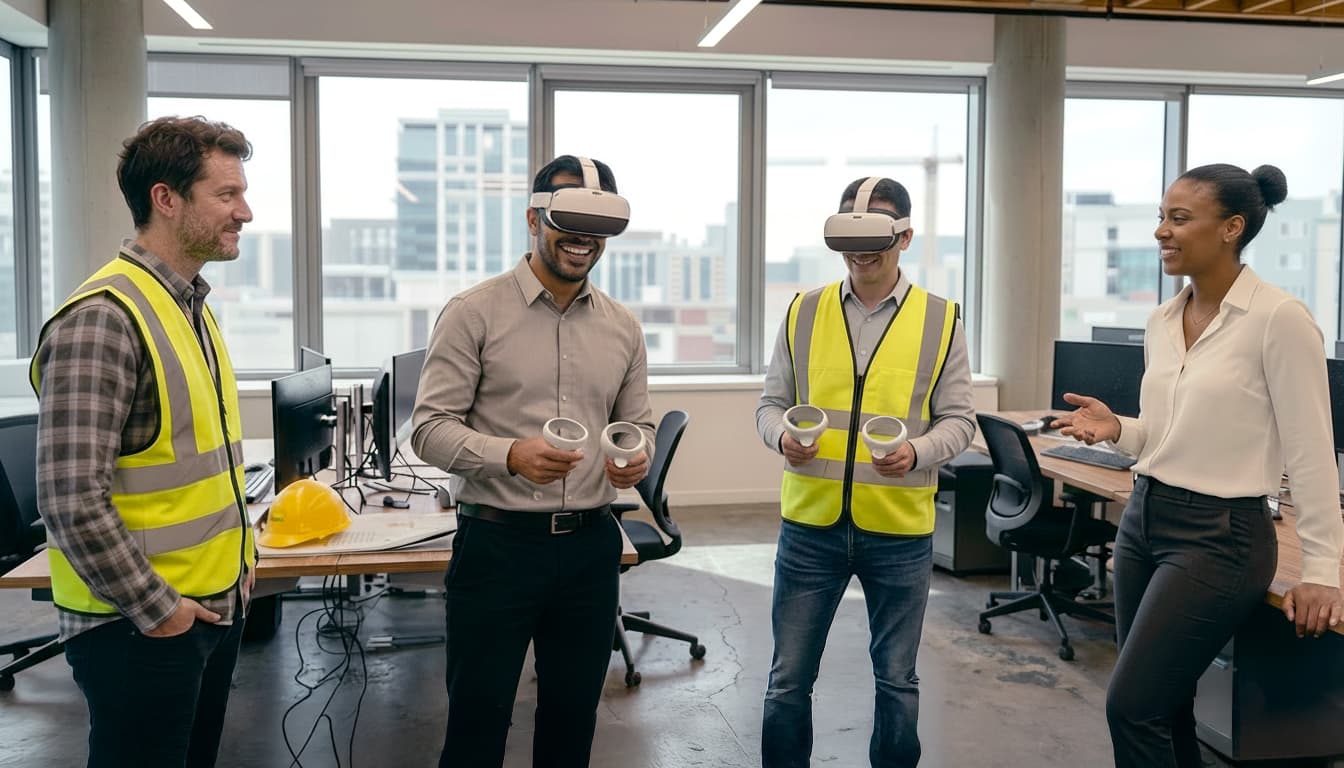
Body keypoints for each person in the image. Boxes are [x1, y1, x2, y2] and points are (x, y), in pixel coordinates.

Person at [1054, 163, 1344, 768]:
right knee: (1166, 706)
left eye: (1179, 218)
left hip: (1221, 537)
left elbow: (1312, 451)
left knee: (1130, 706)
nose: (1161, 230)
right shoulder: (1163, 320)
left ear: (1232, 227)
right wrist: (1120, 430)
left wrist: (1323, 569)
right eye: (1161, 216)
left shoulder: (1278, 319)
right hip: (1143, 520)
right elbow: (1167, 434)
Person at [411, 154, 656, 768]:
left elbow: (637, 426)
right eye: (569, 223)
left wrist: (635, 456)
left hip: (591, 550)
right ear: (533, 218)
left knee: (572, 724)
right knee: (477, 719)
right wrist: (510, 456)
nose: (582, 241)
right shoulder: (474, 312)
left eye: (596, 230)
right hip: (498, 548)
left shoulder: (622, 327)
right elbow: (428, 431)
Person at [30, 116, 257, 768]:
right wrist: (161, 612)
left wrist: (238, 571)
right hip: (137, 626)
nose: (245, 211)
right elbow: (70, 498)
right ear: (166, 199)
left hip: (204, 610)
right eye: (226, 194)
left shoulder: (189, 305)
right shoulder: (105, 317)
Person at [755, 176, 975, 767]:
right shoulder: (804, 311)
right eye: (850, 228)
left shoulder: (941, 318)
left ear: (904, 235)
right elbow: (769, 405)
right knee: (787, 681)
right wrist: (781, 436)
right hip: (810, 529)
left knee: (897, 682)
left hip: (899, 532)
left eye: (877, 226)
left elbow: (959, 420)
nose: (862, 244)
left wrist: (919, 452)